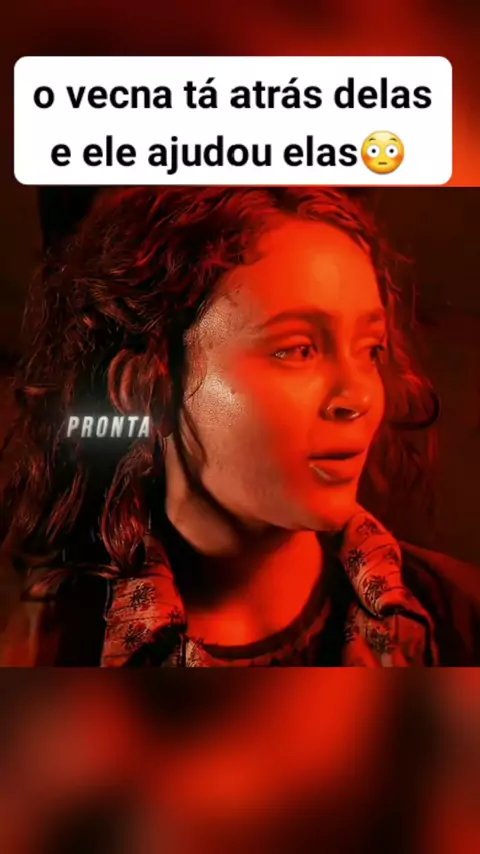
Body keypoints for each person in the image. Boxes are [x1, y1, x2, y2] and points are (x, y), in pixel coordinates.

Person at [0, 186, 479, 667]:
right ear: (146, 388)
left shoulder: (460, 616)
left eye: (370, 349)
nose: (359, 399)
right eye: (297, 350)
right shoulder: (48, 651)